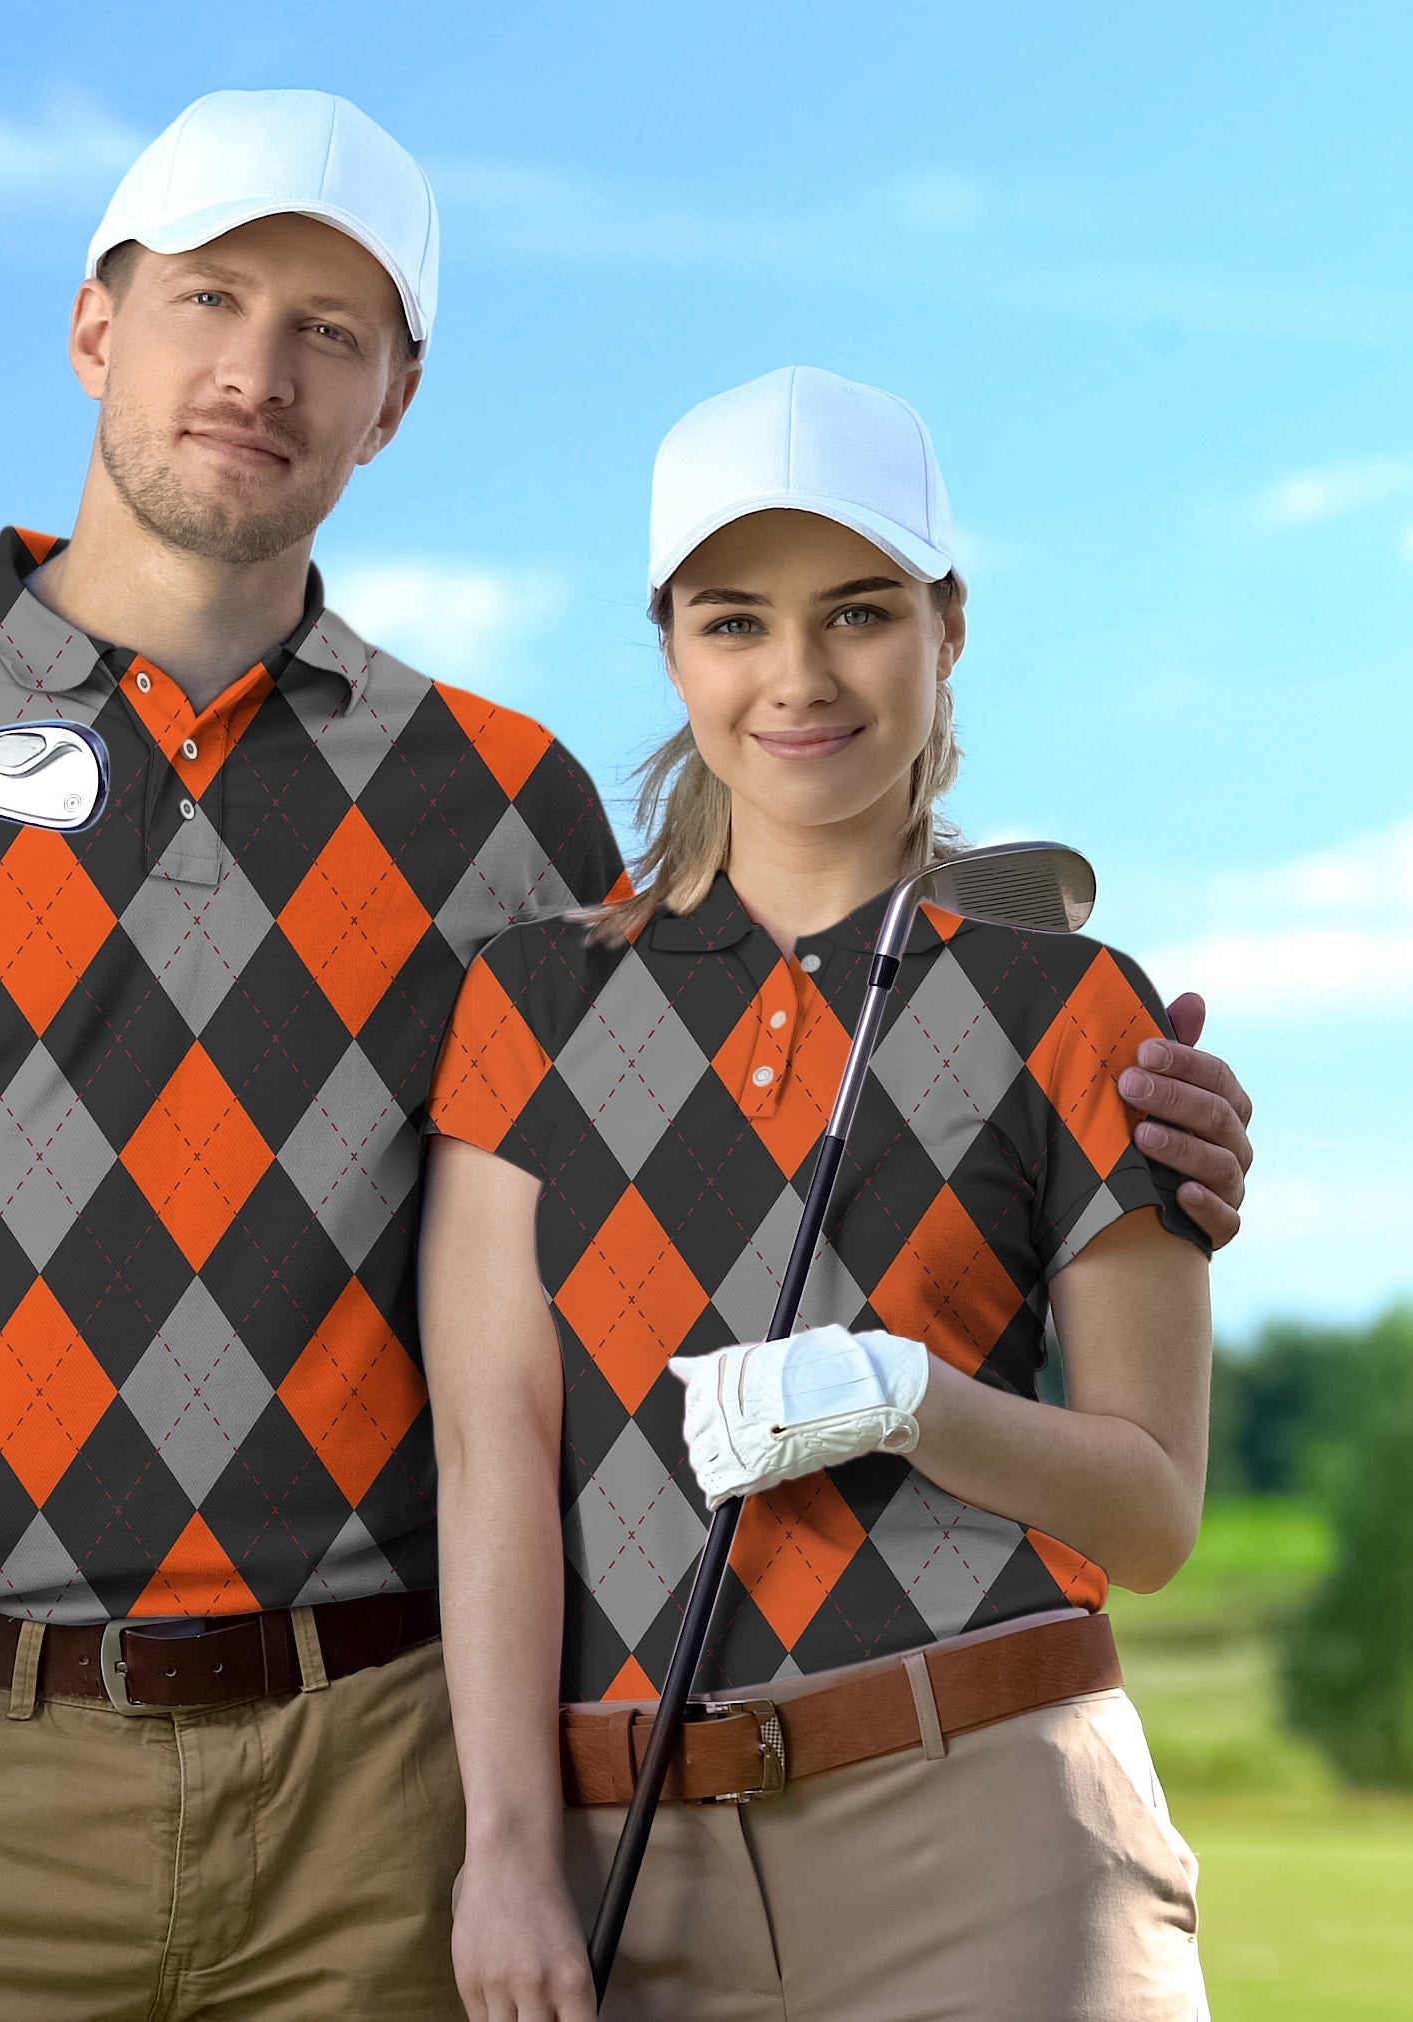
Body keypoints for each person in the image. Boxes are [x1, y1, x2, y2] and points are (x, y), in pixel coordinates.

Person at [0, 87, 1252, 2019]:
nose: (256, 371)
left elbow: (758, 1045)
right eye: (208, 300)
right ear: (95, 325)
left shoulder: (497, 799)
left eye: (327, 332)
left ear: (395, 398)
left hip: (382, 1784)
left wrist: (1097, 1078)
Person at [422, 367, 1223, 2020]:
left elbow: (1146, 1515)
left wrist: (898, 1396)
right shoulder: (529, 1010)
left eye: (856, 612)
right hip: (630, 1853)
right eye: (734, 622)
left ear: (945, 627)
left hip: (994, 1819)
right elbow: (490, 1446)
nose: (796, 677)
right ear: (668, 646)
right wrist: (503, 1844)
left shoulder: (1071, 1005)